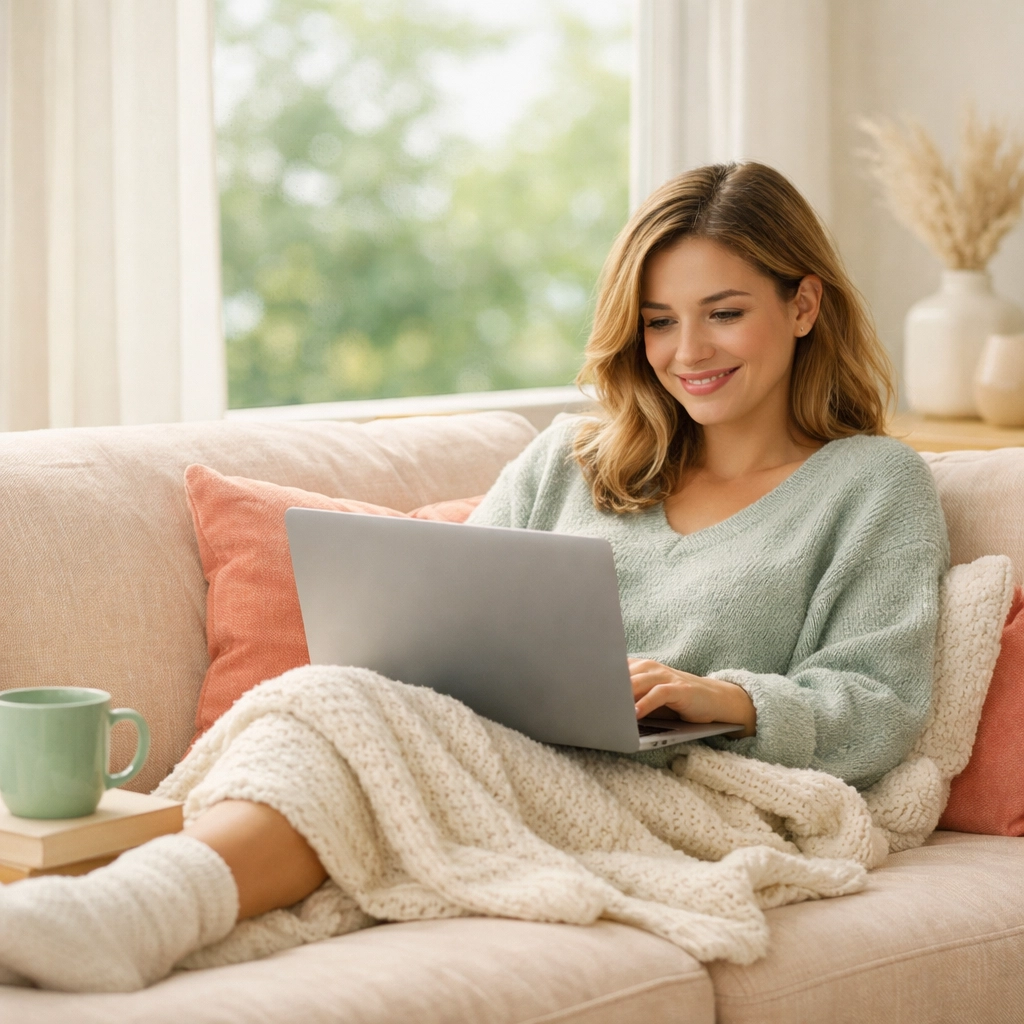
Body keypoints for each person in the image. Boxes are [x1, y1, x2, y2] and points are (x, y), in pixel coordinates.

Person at [0, 162, 948, 993]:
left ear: (804, 305)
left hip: (680, 787)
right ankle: (130, 915)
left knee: (343, 713)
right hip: (498, 748)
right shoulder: (571, 460)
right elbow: (455, 605)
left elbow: (883, 702)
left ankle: (130, 911)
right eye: (658, 322)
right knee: (338, 697)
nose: (687, 353)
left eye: (724, 313)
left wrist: (730, 699)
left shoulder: (872, 484)